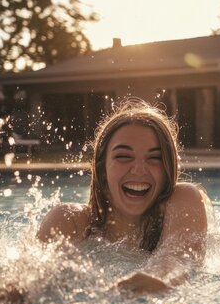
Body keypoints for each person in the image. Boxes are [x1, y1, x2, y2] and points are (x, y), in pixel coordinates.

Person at [35, 97, 208, 294]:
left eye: (155, 158)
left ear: (168, 167)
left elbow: (180, 256)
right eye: (124, 156)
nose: (139, 170)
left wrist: (158, 278)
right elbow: (33, 273)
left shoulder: (184, 198)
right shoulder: (71, 220)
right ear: (101, 168)